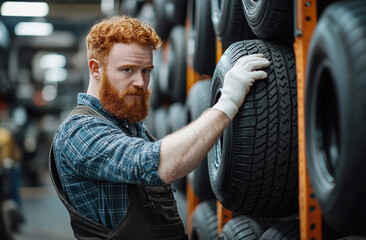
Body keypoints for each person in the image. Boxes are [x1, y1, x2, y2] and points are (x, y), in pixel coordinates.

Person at [50, 16, 270, 239]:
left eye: (146, 71)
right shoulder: (78, 131)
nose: (140, 82)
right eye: (127, 70)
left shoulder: (128, 126)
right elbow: (158, 164)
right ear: (96, 69)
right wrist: (227, 103)